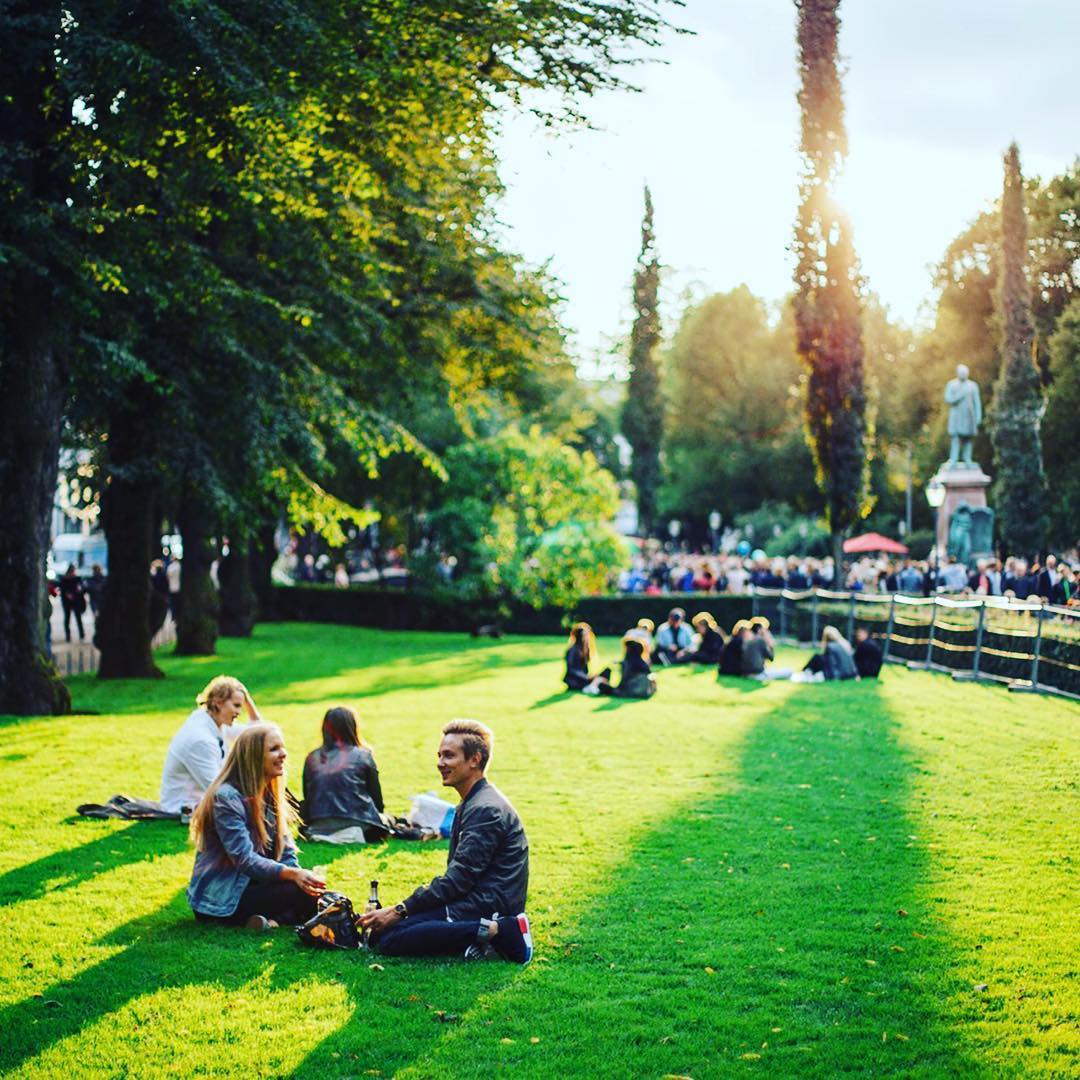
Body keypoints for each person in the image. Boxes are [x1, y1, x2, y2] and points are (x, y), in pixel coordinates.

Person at [359, 719, 532, 963]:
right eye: (440, 755)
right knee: (383, 932)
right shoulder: (474, 800)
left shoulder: (485, 809)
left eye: (449, 756)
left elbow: (458, 880)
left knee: (392, 939)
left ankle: (501, 931)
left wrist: (400, 910)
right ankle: (473, 942)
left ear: (475, 759)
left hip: (486, 904)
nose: (440, 763)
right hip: (473, 896)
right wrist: (403, 910)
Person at [187, 723, 325, 929]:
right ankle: (280, 919)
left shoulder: (271, 792)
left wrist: (301, 879)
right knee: (305, 896)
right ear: (253, 757)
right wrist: (293, 876)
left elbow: (285, 852)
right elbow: (244, 859)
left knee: (319, 894)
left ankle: (272, 922)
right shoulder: (226, 798)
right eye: (274, 749)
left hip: (253, 886)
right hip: (221, 900)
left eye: (282, 747)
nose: (283, 754)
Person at [161, 676, 261, 815]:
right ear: (218, 703)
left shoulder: (214, 720)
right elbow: (218, 790)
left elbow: (257, 733)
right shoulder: (200, 740)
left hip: (203, 800)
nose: (239, 712)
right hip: (185, 807)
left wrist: (247, 699)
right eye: (236, 705)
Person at [302, 706, 388, 842]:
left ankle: (329, 835)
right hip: (358, 820)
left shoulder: (311, 757)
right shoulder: (363, 755)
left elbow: (309, 795)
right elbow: (377, 801)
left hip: (316, 822)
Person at [563, 623, 612, 693]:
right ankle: (592, 687)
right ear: (580, 636)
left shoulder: (586, 649)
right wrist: (586, 677)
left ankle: (593, 686)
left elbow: (585, 669)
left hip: (585, 678)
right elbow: (571, 669)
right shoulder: (572, 650)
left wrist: (591, 675)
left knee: (607, 671)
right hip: (575, 680)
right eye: (585, 635)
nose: (588, 637)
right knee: (599, 680)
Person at [613, 630, 656, 698]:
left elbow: (623, 682)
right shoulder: (642, 663)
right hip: (644, 692)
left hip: (631, 691)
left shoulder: (628, 663)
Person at [58, 563, 86, 642]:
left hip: (75, 601)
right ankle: (69, 635)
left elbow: (82, 590)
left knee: (77, 618)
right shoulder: (64, 580)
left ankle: (81, 634)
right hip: (68, 602)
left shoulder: (77, 579)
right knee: (68, 618)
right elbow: (62, 590)